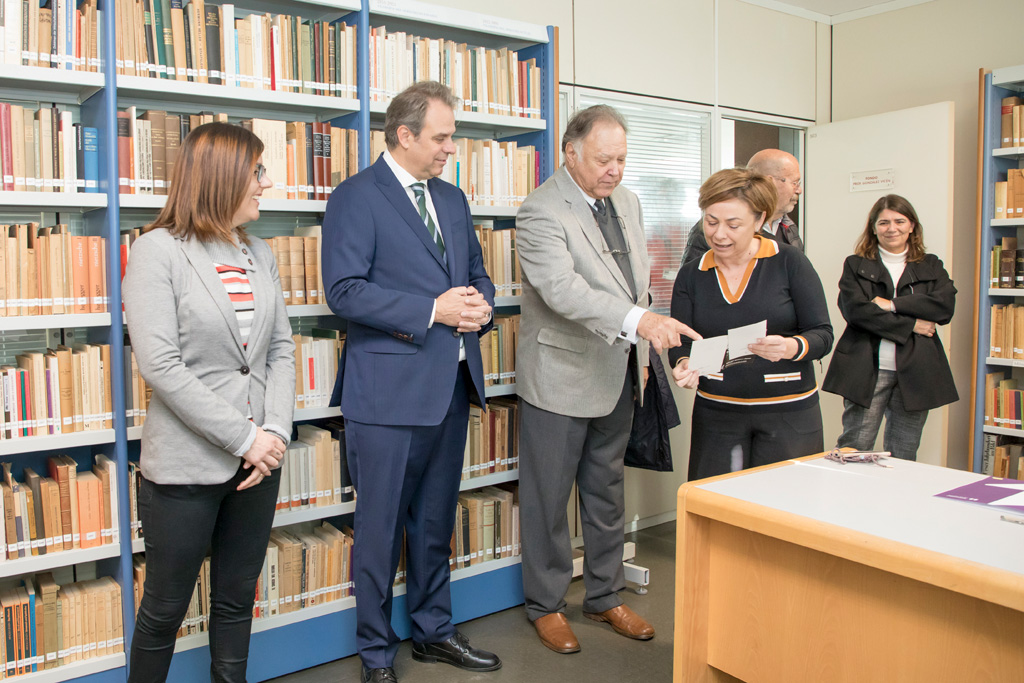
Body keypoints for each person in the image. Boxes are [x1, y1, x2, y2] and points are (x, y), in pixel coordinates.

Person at [322, 81, 499, 683]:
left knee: (434, 523)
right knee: (378, 532)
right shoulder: (355, 197)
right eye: (441, 137)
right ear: (404, 135)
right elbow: (345, 291)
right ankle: (376, 655)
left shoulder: (451, 198)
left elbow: (475, 273)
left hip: (450, 386)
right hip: (386, 398)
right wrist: (433, 311)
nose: (451, 148)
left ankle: (434, 632)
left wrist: (480, 307)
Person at [515, 104, 698, 655]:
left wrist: (643, 328)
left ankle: (604, 594)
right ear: (570, 153)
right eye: (603, 159)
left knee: (606, 491)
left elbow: (633, 282)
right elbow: (562, 291)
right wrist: (640, 321)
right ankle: (545, 605)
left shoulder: (629, 202)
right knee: (549, 501)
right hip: (560, 377)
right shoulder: (540, 210)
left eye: (621, 159)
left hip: (618, 371)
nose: (614, 170)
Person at [123, 122, 295, 683]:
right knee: (164, 611)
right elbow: (161, 366)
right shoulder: (157, 251)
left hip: (259, 465)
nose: (266, 182)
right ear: (222, 177)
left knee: (236, 602)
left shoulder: (259, 253)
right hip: (186, 467)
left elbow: (279, 350)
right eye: (258, 171)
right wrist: (246, 438)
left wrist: (275, 434)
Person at [669, 168, 832, 480]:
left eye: (733, 225)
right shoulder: (692, 274)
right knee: (716, 502)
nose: (719, 234)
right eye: (711, 222)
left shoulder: (789, 262)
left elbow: (823, 334)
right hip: (717, 414)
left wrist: (791, 346)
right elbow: (682, 341)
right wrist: (684, 364)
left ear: (759, 221)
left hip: (789, 412)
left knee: (784, 503)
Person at [822, 194, 957, 460]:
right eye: (883, 222)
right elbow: (857, 312)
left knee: (904, 453)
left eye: (899, 221)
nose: (891, 228)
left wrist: (891, 304)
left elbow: (944, 307)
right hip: (867, 369)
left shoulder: (931, 264)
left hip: (916, 372)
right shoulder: (856, 265)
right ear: (873, 228)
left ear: (912, 226)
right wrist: (911, 325)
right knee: (854, 448)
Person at [682, 149, 804, 265]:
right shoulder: (709, 232)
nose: (799, 190)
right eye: (794, 183)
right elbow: (694, 277)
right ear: (770, 182)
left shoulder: (789, 228)